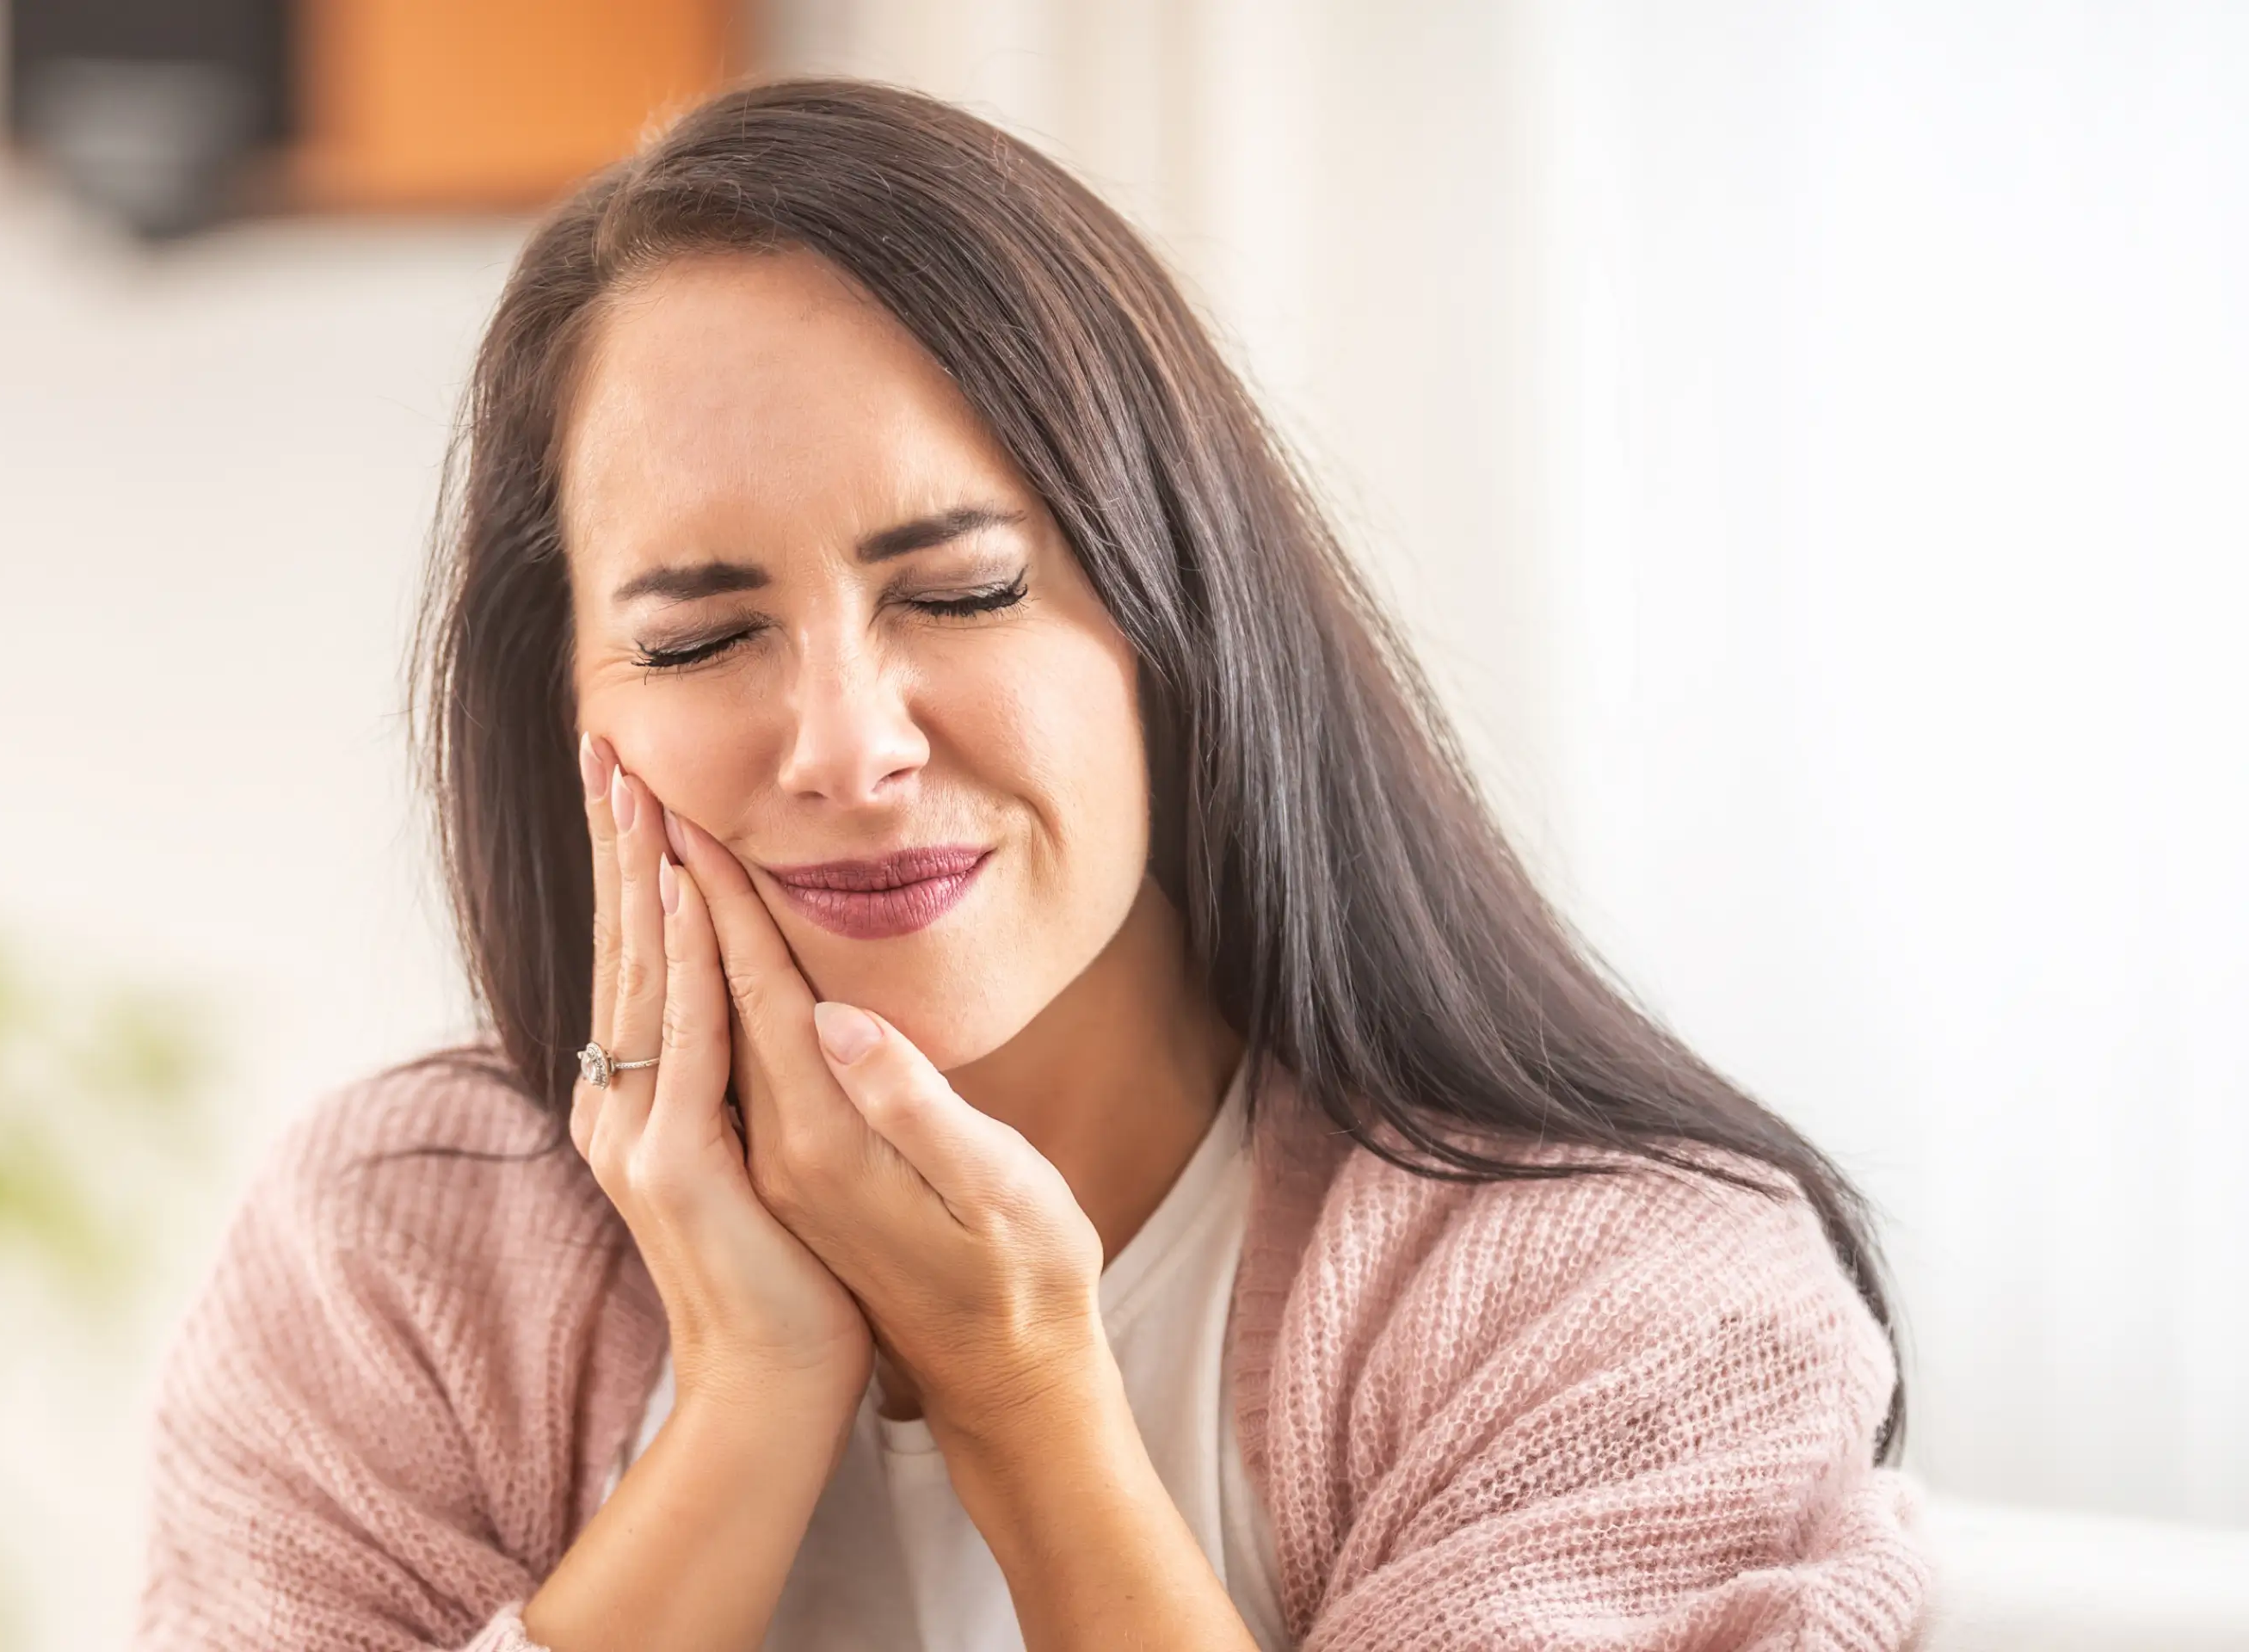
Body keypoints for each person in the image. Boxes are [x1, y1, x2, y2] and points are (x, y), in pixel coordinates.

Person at [139, 77, 1923, 1651]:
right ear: (567, 710)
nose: (847, 745)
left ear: (1178, 619)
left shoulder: (1619, 1302)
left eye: (965, 592)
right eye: (695, 640)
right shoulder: (401, 1256)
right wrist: (749, 1401)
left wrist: (1023, 1391)